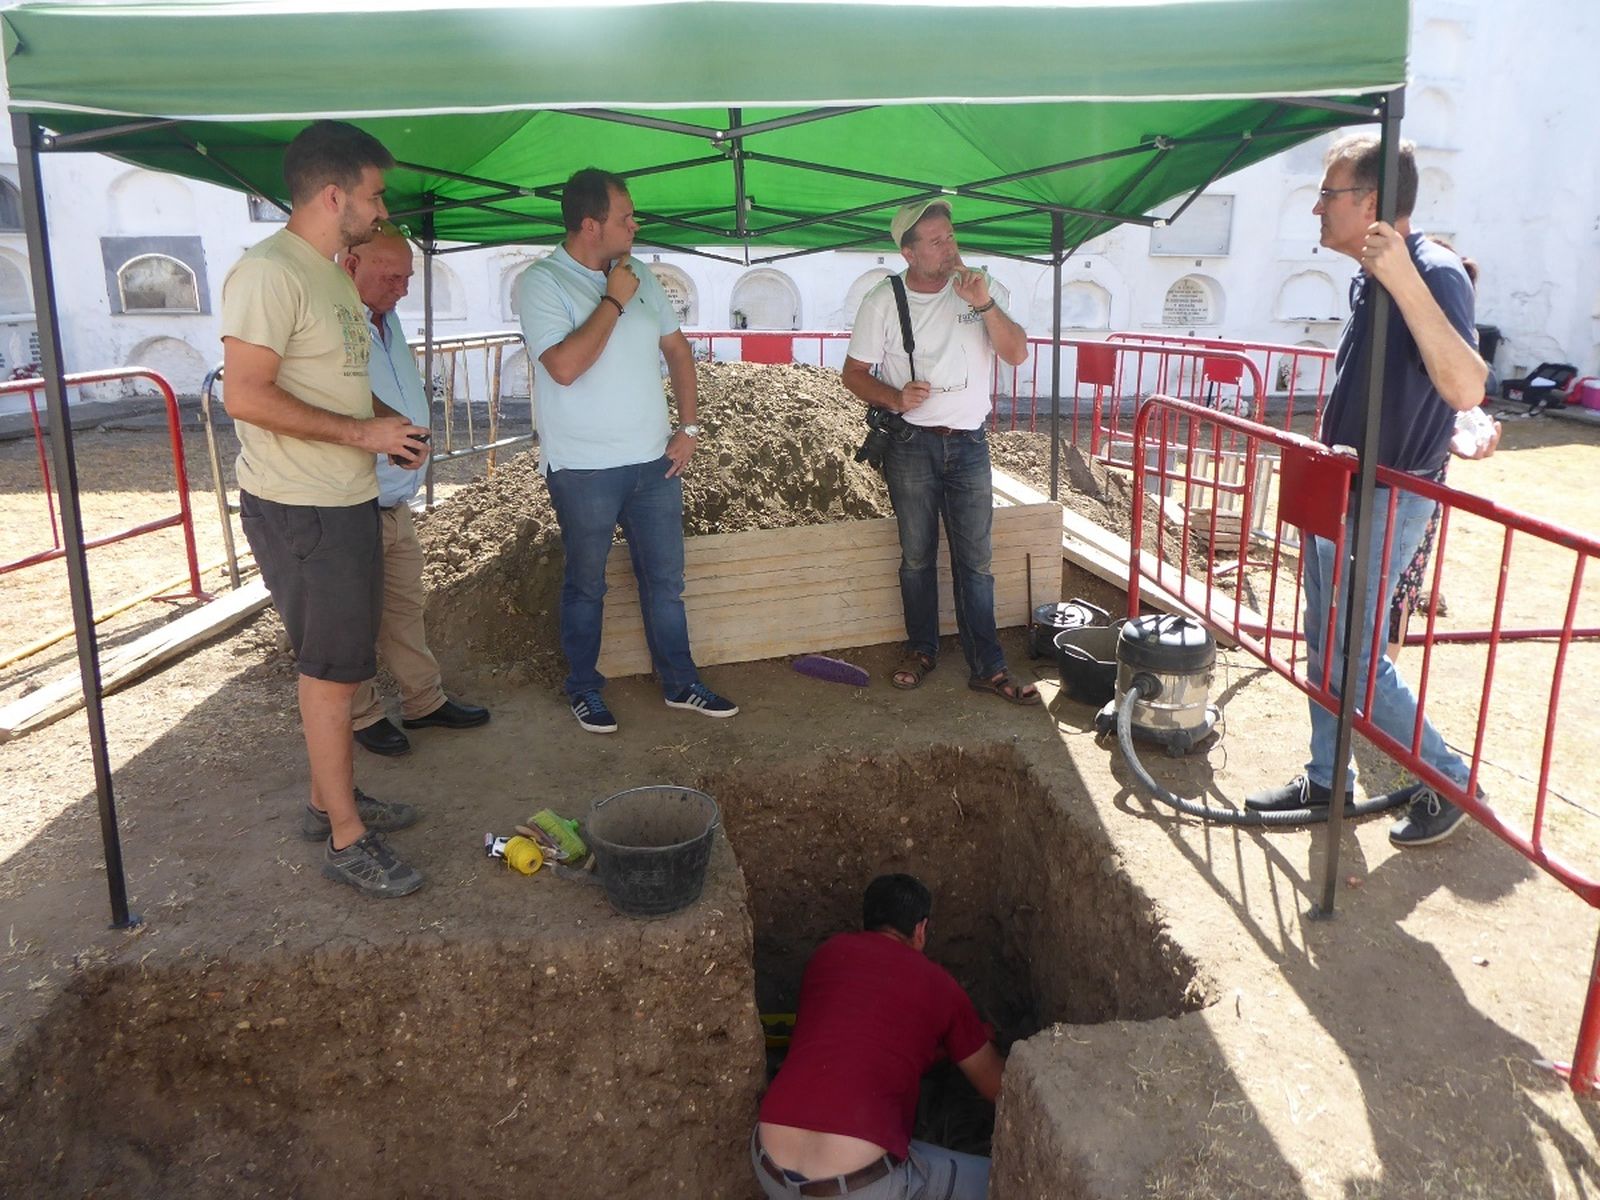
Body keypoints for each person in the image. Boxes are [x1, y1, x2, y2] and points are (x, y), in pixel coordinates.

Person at [1245, 135, 1488, 846]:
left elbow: (1466, 384)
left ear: (1372, 203)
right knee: (1324, 641)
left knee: (1356, 656)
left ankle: (1451, 779)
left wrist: (1405, 278)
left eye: (1330, 194)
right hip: (1339, 483)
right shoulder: (1365, 277)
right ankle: (1328, 779)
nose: (1318, 207)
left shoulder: (1435, 272)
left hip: (1386, 495)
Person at [222, 120, 430, 898]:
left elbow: (338, 385)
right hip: (302, 504)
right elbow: (245, 395)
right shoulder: (269, 273)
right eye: (375, 195)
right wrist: (362, 431)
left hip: (345, 496)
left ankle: (327, 798)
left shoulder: (330, 277)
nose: (381, 210)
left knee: (345, 662)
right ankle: (346, 837)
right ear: (335, 193)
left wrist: (388, 425)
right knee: (332, 671)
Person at [516, 167, 737, 734]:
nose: (636, 224)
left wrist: (689, 428)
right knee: (587, 583)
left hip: (654, 462)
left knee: (665, 581)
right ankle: (584, 689)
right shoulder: (542, 283)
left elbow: (678, 350)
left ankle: (680, 683)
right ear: (591, 225)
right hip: (584, 468)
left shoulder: (637, 273)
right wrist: (613, 302)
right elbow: (563, 367)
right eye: (625, 216)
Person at [841, 201, 1037, 704]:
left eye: (950, 237)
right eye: (936, 241)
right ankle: (921, 648)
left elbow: (1016, 353)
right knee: (916, 557)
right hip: (910, 446)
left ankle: (987, 663)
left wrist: (987, 304)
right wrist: (893, 396)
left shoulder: (975, 292)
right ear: (908, 252)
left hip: (970, 443)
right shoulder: (883, 301)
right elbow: (853, 373)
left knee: (977, 561)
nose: (950, 248)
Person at [753, 874, 1004, 1200]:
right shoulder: (937, 984)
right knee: (1001, 1179)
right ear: (920, 929)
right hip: (857, 1189)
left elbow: (859, 1044)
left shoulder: (826, 956)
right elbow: (996, 1087)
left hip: (768, 1164)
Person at [340, 223, 491, 756]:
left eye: (407, 277)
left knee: (405, 608)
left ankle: (423, 701)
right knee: (352, 619)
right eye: (393, 276)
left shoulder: (387, 318)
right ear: (352, 265)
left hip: (392, 498)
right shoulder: (330, 321)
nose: (403, 288)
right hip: (346, 501)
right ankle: (360, 715)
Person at [1385, 242, 1501, 659]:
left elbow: (1464, 415)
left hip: (1414, 483)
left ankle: (1380, 681)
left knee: (1397, 586)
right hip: (1405, 478)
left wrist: (1471, 441)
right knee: (1390, 585)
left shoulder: (1450, 347)